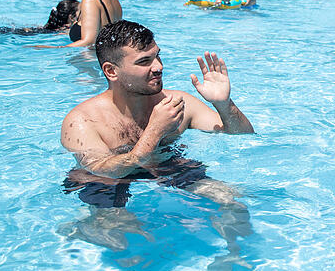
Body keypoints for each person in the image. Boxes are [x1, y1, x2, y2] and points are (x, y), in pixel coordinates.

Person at [59, 20, 253, 227]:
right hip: (104, 182)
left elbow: (242, 136)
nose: (159, 67)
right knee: (118, 231)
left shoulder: (174, 102)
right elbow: (103, 170)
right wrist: (154, 131)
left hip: (163, 165)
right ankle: (80, 229)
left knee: (234, 202)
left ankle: (233, 256)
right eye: (144, 62)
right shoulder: (82, 121)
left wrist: (224, 105)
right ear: (111, 71)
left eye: (157, 56)